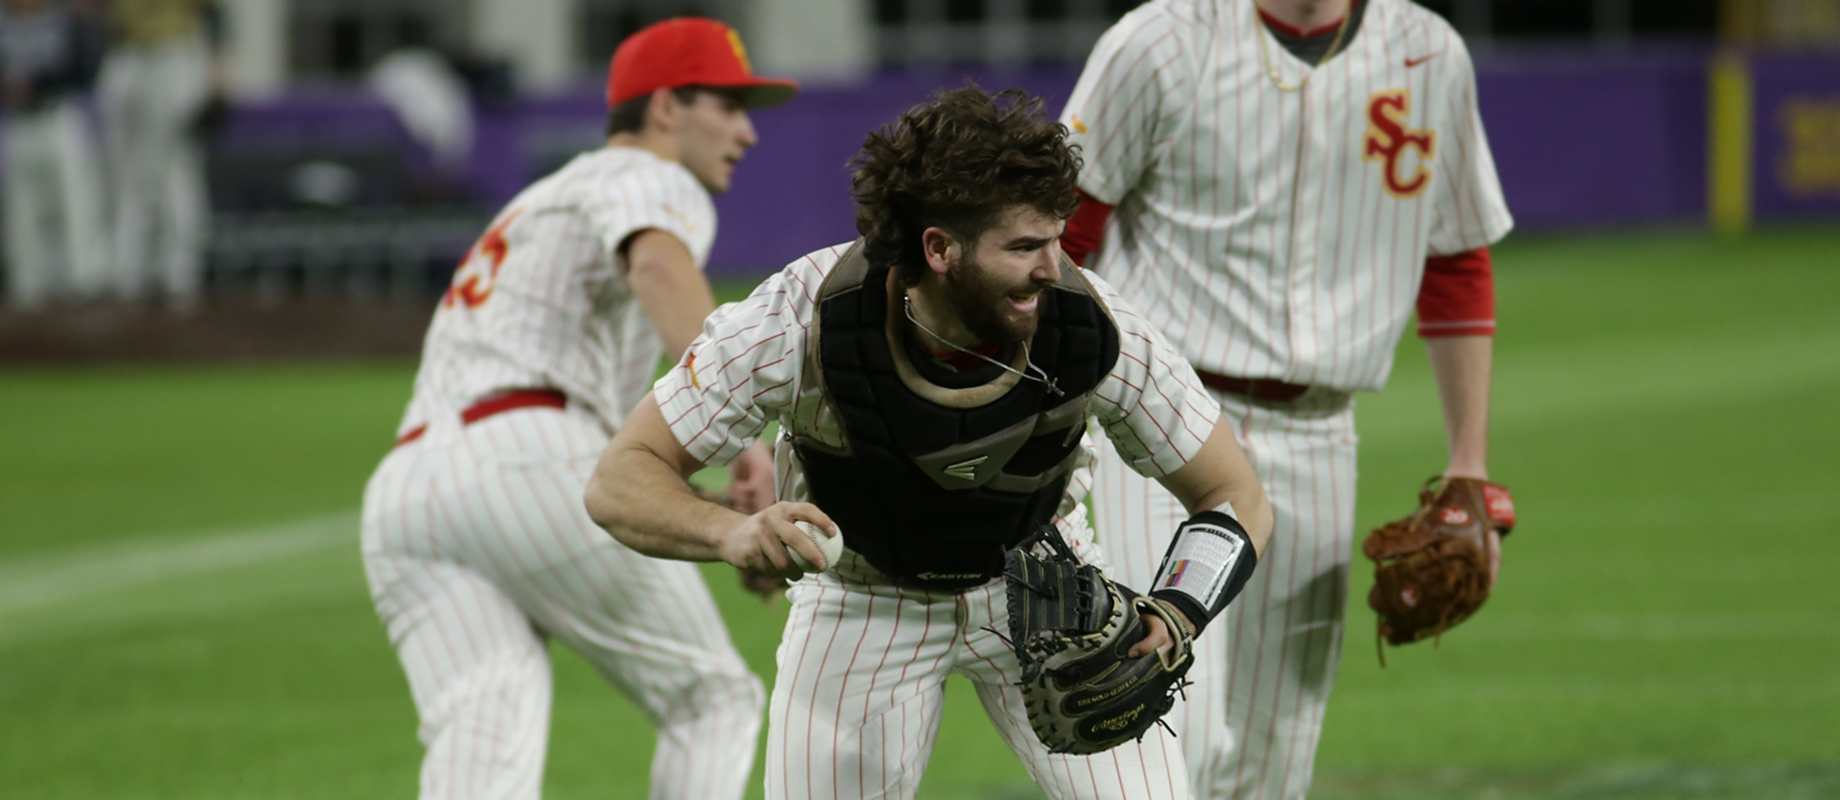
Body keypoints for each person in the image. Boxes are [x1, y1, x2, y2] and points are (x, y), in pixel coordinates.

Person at [584, 86, 1277, 800]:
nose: (1054, 266)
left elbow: (1236, 493)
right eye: (1024, 246)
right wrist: (729, 531)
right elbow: (620, 480)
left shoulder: (1094, 328)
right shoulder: (799, 321)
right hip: (861, 597)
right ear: (939, 249)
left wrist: (1176, 611)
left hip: (1044, 588)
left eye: (1057, 238)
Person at [1056, 0, 1514, 798]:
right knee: (1164, 720)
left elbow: (1455, 264)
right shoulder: (1161, 40)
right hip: (1162, 427)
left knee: (1279, 748)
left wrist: (1468, 467)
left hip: (1319, 434)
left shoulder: (1428, 52)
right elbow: (1060, 237)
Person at [359, 18, 794, 800]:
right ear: (666, 108)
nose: (747, 131)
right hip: (526, 454)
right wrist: (743, 439)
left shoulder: (539, 201)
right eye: (728, 106)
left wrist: (698, 502)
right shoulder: (651, 176)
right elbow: (658, 262)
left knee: (482, 728)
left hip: (407, 493)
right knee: (712, 699)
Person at [98, 0, 224, 311]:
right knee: (125, 172)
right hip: (126, 55)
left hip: (173, 54)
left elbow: (217, 13)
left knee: (175, 169)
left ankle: (180, 274)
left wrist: (220, 72)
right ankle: (126, 274)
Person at [1, 0, 109, 309]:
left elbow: (84, 68)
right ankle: (27, 290)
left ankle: (81, 284)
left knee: (74, 202)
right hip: (19, 123)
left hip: (58, 117)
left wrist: (38, 82)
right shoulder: (4, 20)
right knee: (22, 211)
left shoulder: (64, 19)